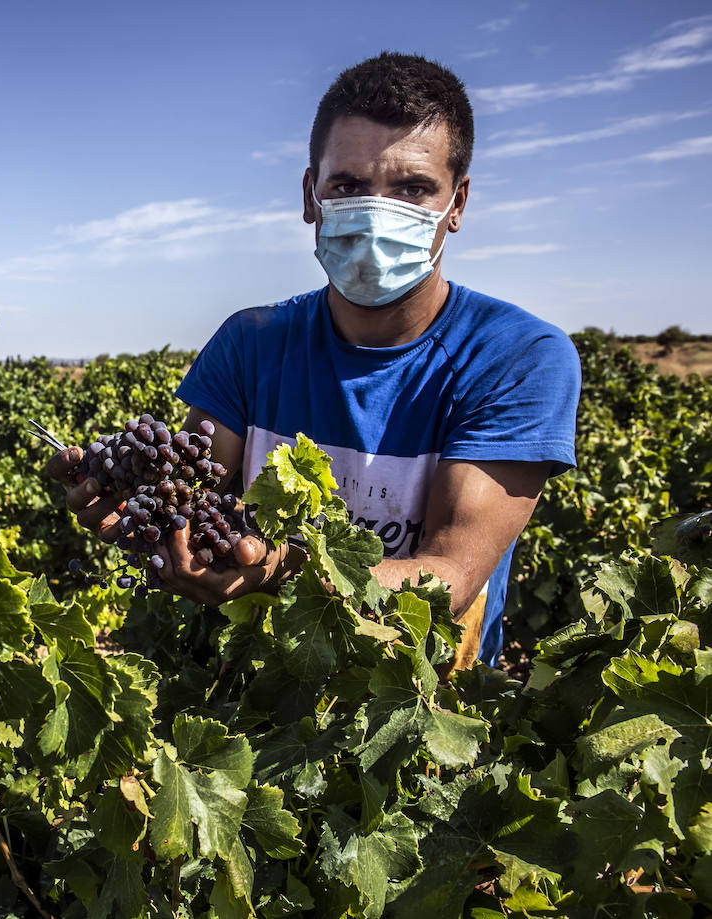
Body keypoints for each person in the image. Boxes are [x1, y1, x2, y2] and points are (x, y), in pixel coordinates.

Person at [46, 52, 581, 668]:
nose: (377, 212)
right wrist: (141, 504)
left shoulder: (519, 358)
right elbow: (196, 502)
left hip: (419, 708)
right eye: (349, 186)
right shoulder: (249, 343)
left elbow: (449, 579)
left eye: (412, 189)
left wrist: (282, 570)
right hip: (259, 690)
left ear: (456, 204)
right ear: (311, 195)